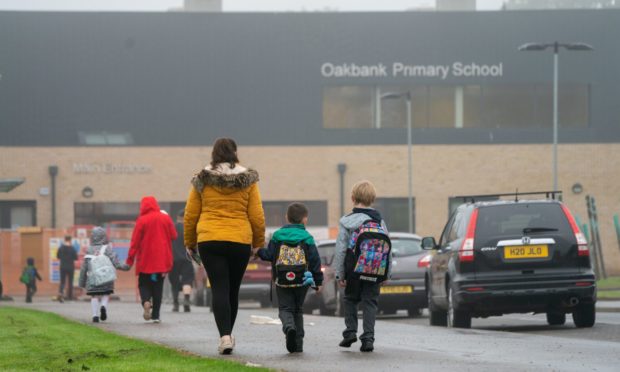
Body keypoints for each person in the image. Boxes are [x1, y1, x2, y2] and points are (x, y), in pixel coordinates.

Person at [184, 137, 265, 355]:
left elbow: (191, 214)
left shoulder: (202, 178)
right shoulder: (248, 179)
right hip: (239, 239)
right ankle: (228, 334)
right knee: (232, 290)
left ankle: (225, 336)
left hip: (210, 239)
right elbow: (256, 214)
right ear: (235, 152)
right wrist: (258, 243)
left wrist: (189, 242)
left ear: (214, 153)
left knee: (219, 287)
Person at [333, 180, 392, 353]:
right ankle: (368, 339)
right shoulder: (380, 222)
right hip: (375, 269)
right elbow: (388, 249)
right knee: (370, 302)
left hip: (353, 270)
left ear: (352, 198)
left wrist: (339, 274)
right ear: (372, 199)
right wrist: (386, 274)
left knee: (350, 299)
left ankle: (350, 332)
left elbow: (341, 249)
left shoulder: (346, 221)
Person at [256, 202, 323, 353]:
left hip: (282, 280)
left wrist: (258, 251)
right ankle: (297, 344)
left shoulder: (278, 236)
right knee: (298, 310)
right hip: (302, 281)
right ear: (305, 219)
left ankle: (288, 327)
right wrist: (318, 281)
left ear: (287, 217)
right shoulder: (307, 237)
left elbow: (269, 255)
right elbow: (314, 261)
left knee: (285, 309)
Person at [127, 196, 177, 323]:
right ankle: (156, 316)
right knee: (158, 287)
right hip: (161, 260)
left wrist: (130, 260)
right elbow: (174, 235)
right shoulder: (165, 218)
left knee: (143, 284)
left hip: (145, 260)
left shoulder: (141, 220)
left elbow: (135, 242)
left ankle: (146, 301)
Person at [78, 227, 130, 322]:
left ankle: (95, 316)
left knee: (94, 296)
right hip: (106, 277)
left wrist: (81, 282)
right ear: (104, 237)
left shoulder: (89, 249)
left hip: (93, 279)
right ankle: (103, 306)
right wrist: (126, 267)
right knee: (106, 294)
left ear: (92, 237)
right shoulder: (107, 249)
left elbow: (84, 267)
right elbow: (116, 262)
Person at [169, 209, 195, 312]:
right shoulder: (189, 229)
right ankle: (186, 301)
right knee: (187, 280)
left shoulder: (173, 228)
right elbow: (193, 246)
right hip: (187, 259)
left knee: (174, 281)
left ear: (177, 218)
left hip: (174, 259)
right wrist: (197, 260)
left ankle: (175, 304)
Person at [57, 235, 78, 302]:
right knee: (70, 282)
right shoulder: (72, 248)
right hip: (70, 267)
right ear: (70, 240)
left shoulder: (61, 248)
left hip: (62, 266)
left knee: (62, 281)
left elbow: (58, 256)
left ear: (64, 239)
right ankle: (69, 296)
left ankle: (61, 294)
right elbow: (76, 258)